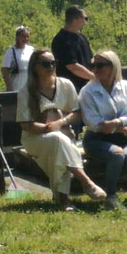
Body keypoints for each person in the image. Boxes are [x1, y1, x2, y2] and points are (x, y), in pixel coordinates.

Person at [16, 49, 106, 210]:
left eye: (53, 63)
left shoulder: (65, 84)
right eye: (46, 64)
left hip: (63, 133)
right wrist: (50, 128)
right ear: (35, 67)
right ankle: (86, 182)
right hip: (34, 137)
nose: (51, 67)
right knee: (59, 141)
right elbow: (26, 125)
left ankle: (63, 200)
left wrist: (61, 123)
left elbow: (77, 112)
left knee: (60, 147)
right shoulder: (26, 92)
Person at [79, 50, 127, 209]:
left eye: (100, 65)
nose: (95, 69)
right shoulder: (87, 92)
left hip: (124, 137)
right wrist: (121, 129)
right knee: (117, 154)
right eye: (93, 65)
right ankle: (111, 196)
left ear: (113, 66)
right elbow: (94, 123)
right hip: (97, 139)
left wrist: (118, 122)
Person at [51, 5, 95, 93]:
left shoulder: (82, 37)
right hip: (71, 89)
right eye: (85, 18)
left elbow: (91, 59)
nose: (85, 22)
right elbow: (72, 66)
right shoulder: (61, 39)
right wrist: (95, 77)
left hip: (87, 87)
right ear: (75, 19)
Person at [1, 26, 34, 92]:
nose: (26, 38)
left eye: (27, 36)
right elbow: (4, 69)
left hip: (30, 81)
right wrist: (9, 85)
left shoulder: (31, 49)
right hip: (17, 83)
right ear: (17, 37)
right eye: (23, 36)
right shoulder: (11, 51)